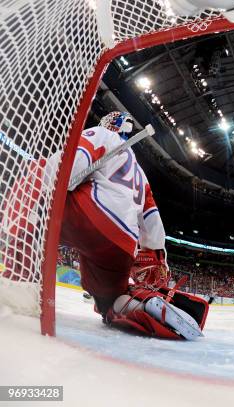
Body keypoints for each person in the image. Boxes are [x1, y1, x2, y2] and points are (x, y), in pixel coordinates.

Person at [58, 111, 207, 340]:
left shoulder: (102, 135)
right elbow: (152, 221)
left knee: (36, 175)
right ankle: (141, 305)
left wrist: (53, 186)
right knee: (109, 299)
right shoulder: (140, 172)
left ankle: (17, 276)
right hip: (124, 243)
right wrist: (157, 256)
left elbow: (66, 173)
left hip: (94, 215)